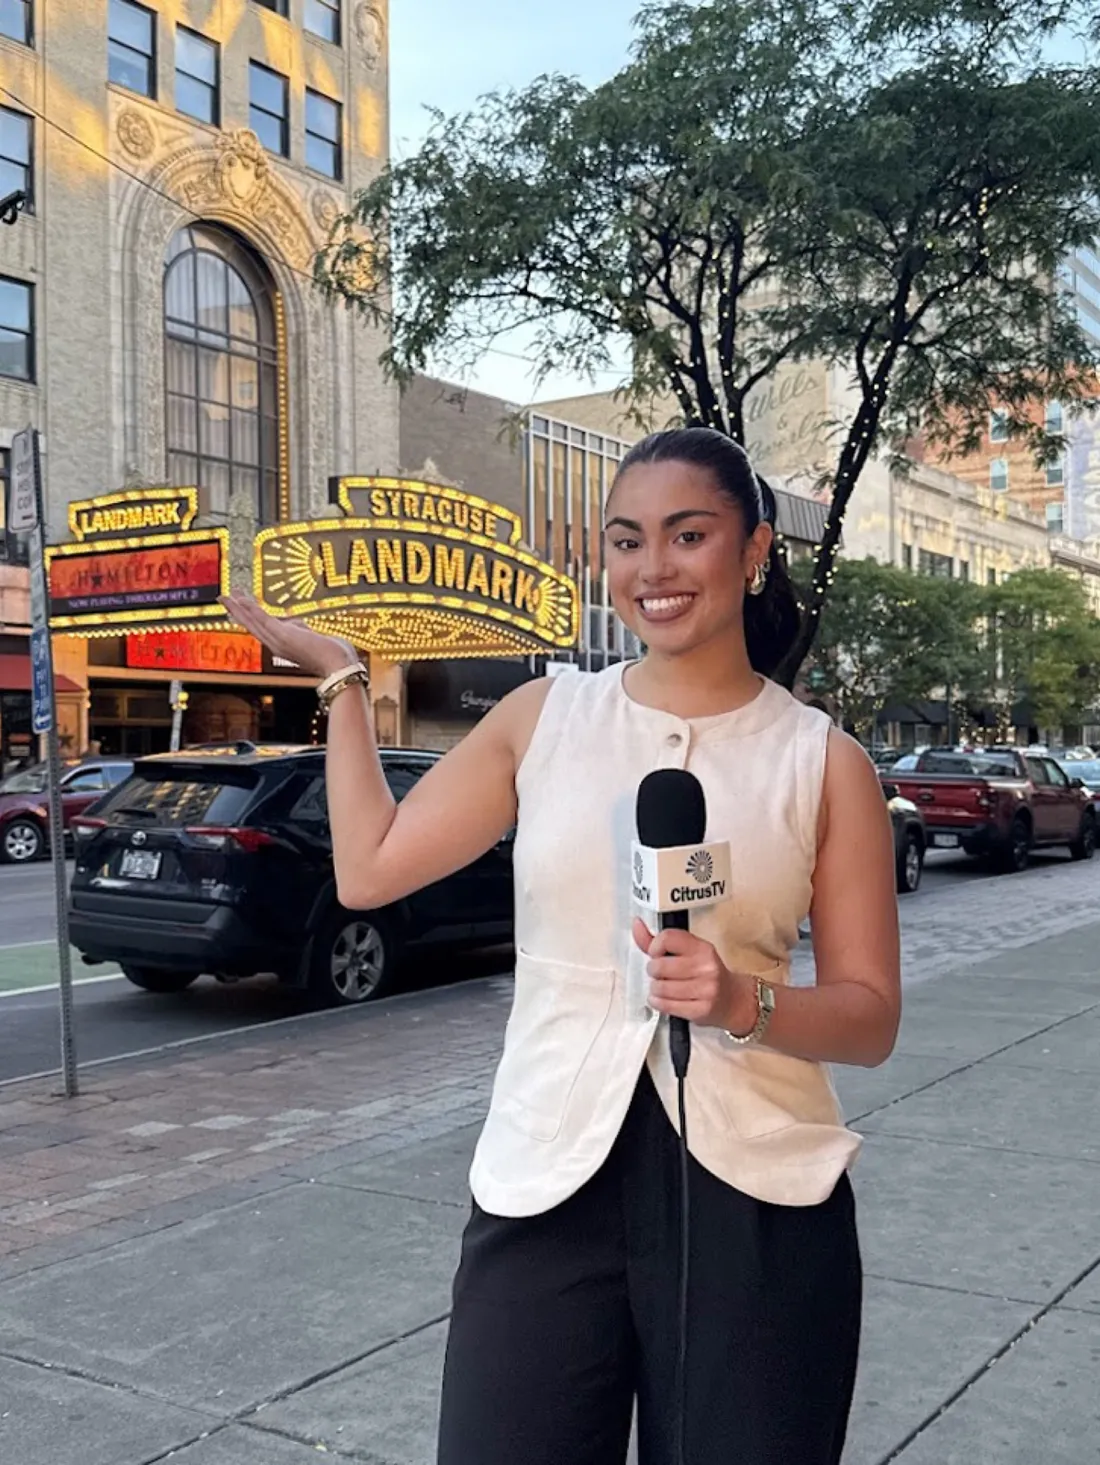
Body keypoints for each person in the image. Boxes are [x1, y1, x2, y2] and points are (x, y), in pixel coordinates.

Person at [224, 426, 901, 1465]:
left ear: (754, 547)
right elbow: (369, 868)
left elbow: (868, 1016)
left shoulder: (822, 761)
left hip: (760, 1200)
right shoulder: (544, 717)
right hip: (545, 1182)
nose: (652, 569)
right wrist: (344, 679)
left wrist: (740, 1003)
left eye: (688, 535)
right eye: (626, 541)